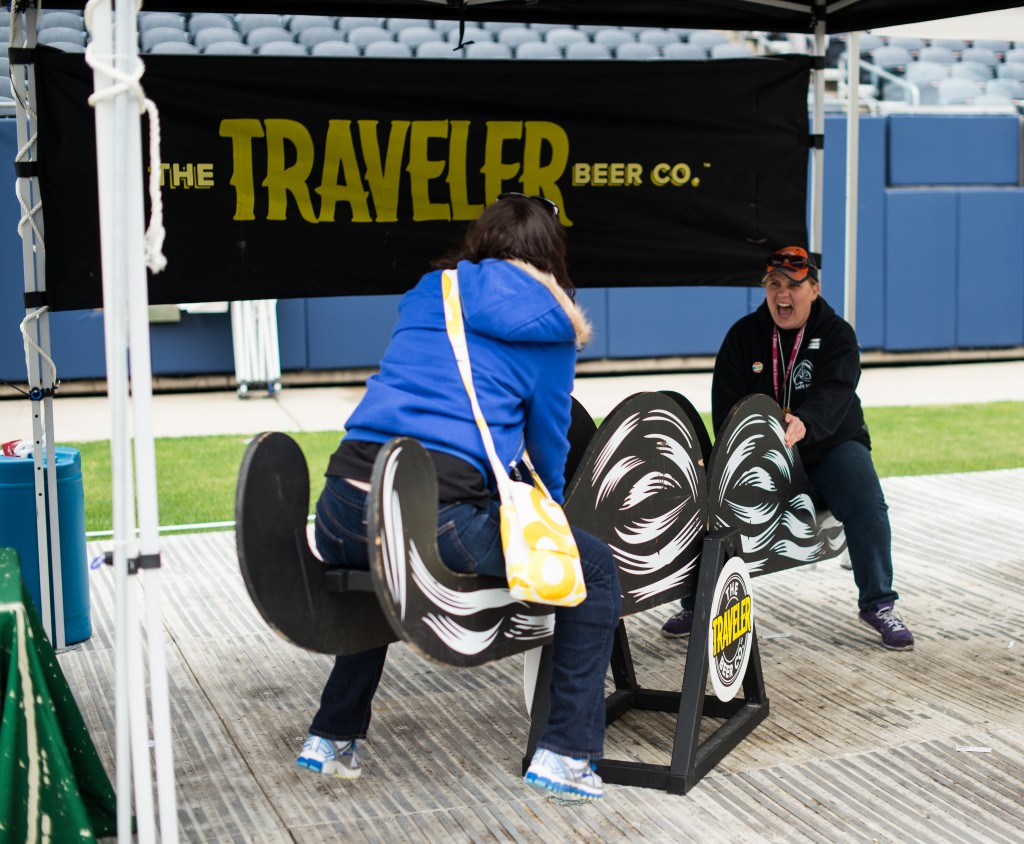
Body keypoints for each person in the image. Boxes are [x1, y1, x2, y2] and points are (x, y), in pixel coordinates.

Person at [295, 193, 623, 803]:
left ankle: (330, 736)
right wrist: (544, 525)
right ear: (552, 255)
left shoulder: (432, 291)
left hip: (340, 505)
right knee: (596, 570)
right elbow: (549, 446)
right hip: (435, 512)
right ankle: (566, 753)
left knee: (384, 557)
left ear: (481, 240)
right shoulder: (551, 328)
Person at [661, 246, 914, 651]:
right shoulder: (743, 336)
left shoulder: (837, 335)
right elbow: (726, 405)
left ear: (813, 289)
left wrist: (805, 422)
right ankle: (696, 602)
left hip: (828, 445)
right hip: (762, 454)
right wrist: (736, 450)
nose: (784, 294)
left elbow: (837, 392)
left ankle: (878, 603)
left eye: (794, 285)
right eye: (774, 284)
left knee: (867, 503)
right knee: (708, 504)